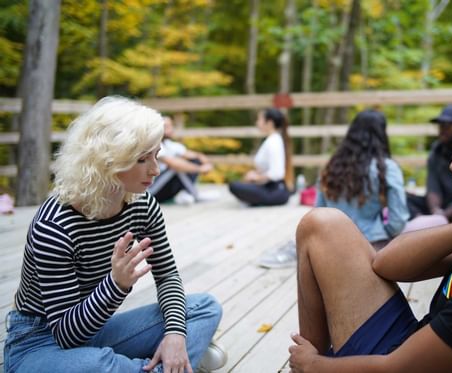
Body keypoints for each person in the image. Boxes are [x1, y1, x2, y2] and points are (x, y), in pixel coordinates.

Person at [288, 90, 452, 372]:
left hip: (401, 365)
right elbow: (386, 264)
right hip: (411, 348)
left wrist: (315, 366)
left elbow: (399, 369)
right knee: (322, 224)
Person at [3, 97, 226, 373]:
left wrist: (176, 336)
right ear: (109, 159)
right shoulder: (55, 225)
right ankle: (174, 365)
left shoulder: (143, 204)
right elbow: (67, 335)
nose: (155, 170)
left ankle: (170, 359)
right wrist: (116, 285)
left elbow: (167, 276)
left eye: (156, 155)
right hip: (40, 341)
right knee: (95, 364)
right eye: (143, 159)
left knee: (204, 308)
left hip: (97, 327)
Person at [258, 110, 409, 269]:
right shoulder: (387, 169)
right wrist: (384, 231)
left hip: (329, 243)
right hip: (370, 243)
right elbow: (398, 221)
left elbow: (318, 212)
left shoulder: (332, 166)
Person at [229, 108, 294, 206]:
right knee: (238, 185)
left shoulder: (273, 142)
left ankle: (257, 200)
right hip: (270, 187)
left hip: (275, 191)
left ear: (270, 123)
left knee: (234, 186)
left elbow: (277, 173)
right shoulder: (271, 140)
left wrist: (256, 177)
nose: (257, 123)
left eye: (259, 119)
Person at [149, 116, 214, 205]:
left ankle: (186, 193)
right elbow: (174, 164)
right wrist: (201, 169)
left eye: (171, 126)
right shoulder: (154, 146)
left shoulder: (170, 145)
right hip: (153, 191)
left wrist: (204, 161)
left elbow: (194, 155)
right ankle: (194, 194)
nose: (171, 129)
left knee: (194, 161)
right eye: (166, 127)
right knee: (176, 167)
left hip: (166, 188)